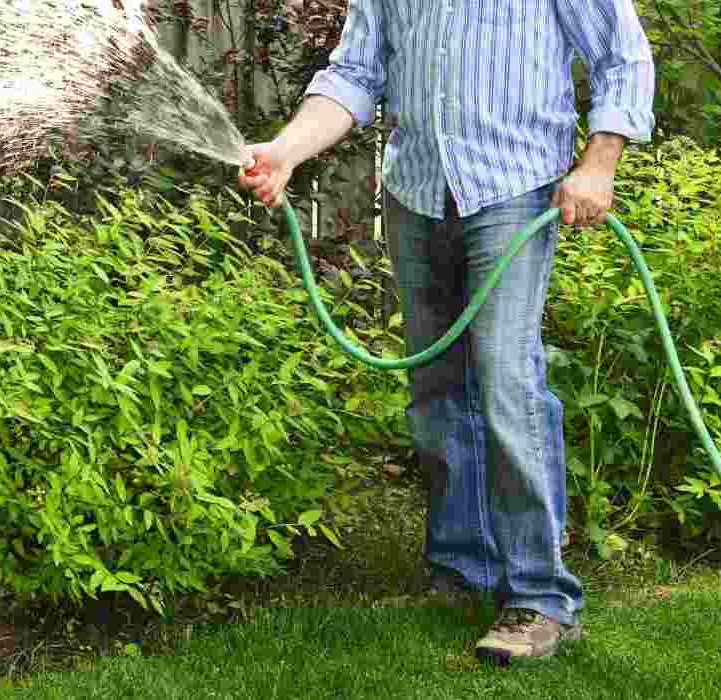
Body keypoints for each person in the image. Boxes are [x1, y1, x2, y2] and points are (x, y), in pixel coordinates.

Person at [237, 1, 655, 665]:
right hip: (419, 191)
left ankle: (540, 596)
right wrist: (284, 152)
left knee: (506, 381)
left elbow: (621, 56)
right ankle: (463, 572)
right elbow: (353, 76)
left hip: (514, 188)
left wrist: (599, 163)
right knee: (436, 391)